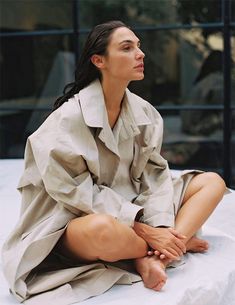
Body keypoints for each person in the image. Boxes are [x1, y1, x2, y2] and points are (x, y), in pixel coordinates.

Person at [2, 20, 226, 305]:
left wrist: (158, 227)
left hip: (134, 210)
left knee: (212, 183)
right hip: (74, 219)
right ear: (99, 60)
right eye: (127, 47)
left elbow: (155, 178)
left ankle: (162, 249)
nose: (140, 53)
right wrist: (146, 231)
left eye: (139, 46)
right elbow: (76, 195)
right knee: (102, 230)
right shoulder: (66, 121)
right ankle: (169, 246)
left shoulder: (145, 113)